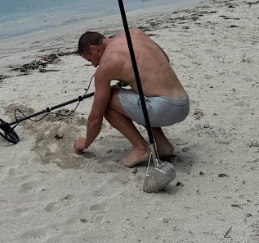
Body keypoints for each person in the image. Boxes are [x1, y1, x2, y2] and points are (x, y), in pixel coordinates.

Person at [74, 29, 190, 167]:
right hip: (183, 103)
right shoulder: (134, 34)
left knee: (107, 100)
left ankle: (141, 149)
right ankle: (162, 144)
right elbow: (165, 58)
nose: (94, 65)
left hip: (163, 109)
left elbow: (95, 118)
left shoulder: (106, 65)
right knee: (142, 93)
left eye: (90, 60)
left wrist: (86, 143)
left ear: (94, 49)